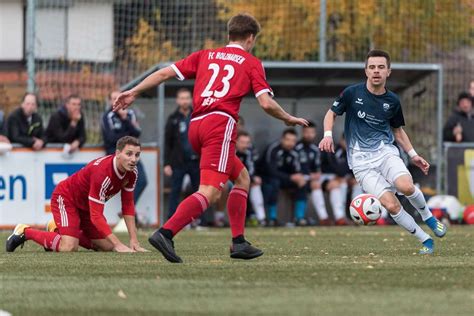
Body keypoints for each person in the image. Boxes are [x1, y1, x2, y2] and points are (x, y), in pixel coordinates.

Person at [113, 13, 308, 263]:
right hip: (220, 125)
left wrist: (134, 91)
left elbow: (163, 74)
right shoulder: (251, 62)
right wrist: (287, 118)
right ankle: (166, 232)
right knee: (210, 192)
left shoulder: (205, 55)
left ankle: (238, 242)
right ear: (250, 38)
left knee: (242, 177)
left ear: (229, 35)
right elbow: (265, 102)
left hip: (195, 124)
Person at [319, 49, 446, 255]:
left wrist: (413, 155)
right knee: (391, 206)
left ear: (388, 71)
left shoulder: (393, 101)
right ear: (366, 71)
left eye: (380, 67)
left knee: (405, 186)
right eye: (372, 67)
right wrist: (326, 134)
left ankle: (429, 217)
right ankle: (425, 240)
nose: (376, 71)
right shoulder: (352, 93)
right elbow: (331, 114)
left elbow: (398, 130)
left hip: (385, 152)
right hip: (360, 163)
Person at [6, 136, 147, 253]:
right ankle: (25, 231)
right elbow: (96, 216)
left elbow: (128, 204)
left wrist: (134, 241)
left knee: (107, 247)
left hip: (87, 207)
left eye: (137, 155)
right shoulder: (103, 173)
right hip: (66, 198)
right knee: (69, 247)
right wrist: (118, 244)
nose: (134, 159)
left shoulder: (132, 172)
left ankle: (56, 228)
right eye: (129, 154)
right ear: (117, 154)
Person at [295, 121, 348, 226]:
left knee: (335, 184)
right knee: (315, 184)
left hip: (317, 178)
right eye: (306, 132)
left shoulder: (317, 149)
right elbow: (295, 169)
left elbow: (320, 169)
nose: (309, 135)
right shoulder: (297, 148)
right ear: (302, 132)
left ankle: (340, 217)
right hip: (303, 179)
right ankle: (323, 218)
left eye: (311, 132)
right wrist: (310, 176)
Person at [102, 90, 148, 206]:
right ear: (110, 101)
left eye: (118, 98)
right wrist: (127, 135)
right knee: (113, 185)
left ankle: (127, 211)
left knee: (142, 181)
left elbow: (137, 133)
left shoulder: (130, 114)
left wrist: (125, 119)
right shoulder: (108, 116)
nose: (116, 101)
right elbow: (111, 138)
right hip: (115, 155)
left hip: (131, 154)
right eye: (113, 99)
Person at [163, 88, 200, 220]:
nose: (185, 101)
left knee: (200, 192)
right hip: (178, 162)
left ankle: (201, 220)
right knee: (175, 191)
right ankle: (171, 220)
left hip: (196, 161)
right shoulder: (173, 119)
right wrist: (167, 163)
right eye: (182, 98)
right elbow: (167, 142)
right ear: (178, 101)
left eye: (187, 98)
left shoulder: (197, 115)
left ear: (191, 99)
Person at [259, 129, 307, 226]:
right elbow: (270, 171)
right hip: (267, 178)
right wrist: (290, 177)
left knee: (303, 183)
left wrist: (299, 177)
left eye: (293, 141)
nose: (290, 143)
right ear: (282, 139)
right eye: (288, 140)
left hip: (285, 179)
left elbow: (297, 170)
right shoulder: (273, 149)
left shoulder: (295, 152)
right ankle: (272, 218)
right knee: (273, 183)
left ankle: (299, 218)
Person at [236, 130, 266, 225]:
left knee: (255, 183)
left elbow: (251, 170)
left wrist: (252, 178)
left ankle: (261, 218)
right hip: (228, 180)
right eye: (242, 142)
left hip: (244, 180)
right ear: (235, 142)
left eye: (247, 143)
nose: (245, 145)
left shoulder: (248, 153)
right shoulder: (229, 152)